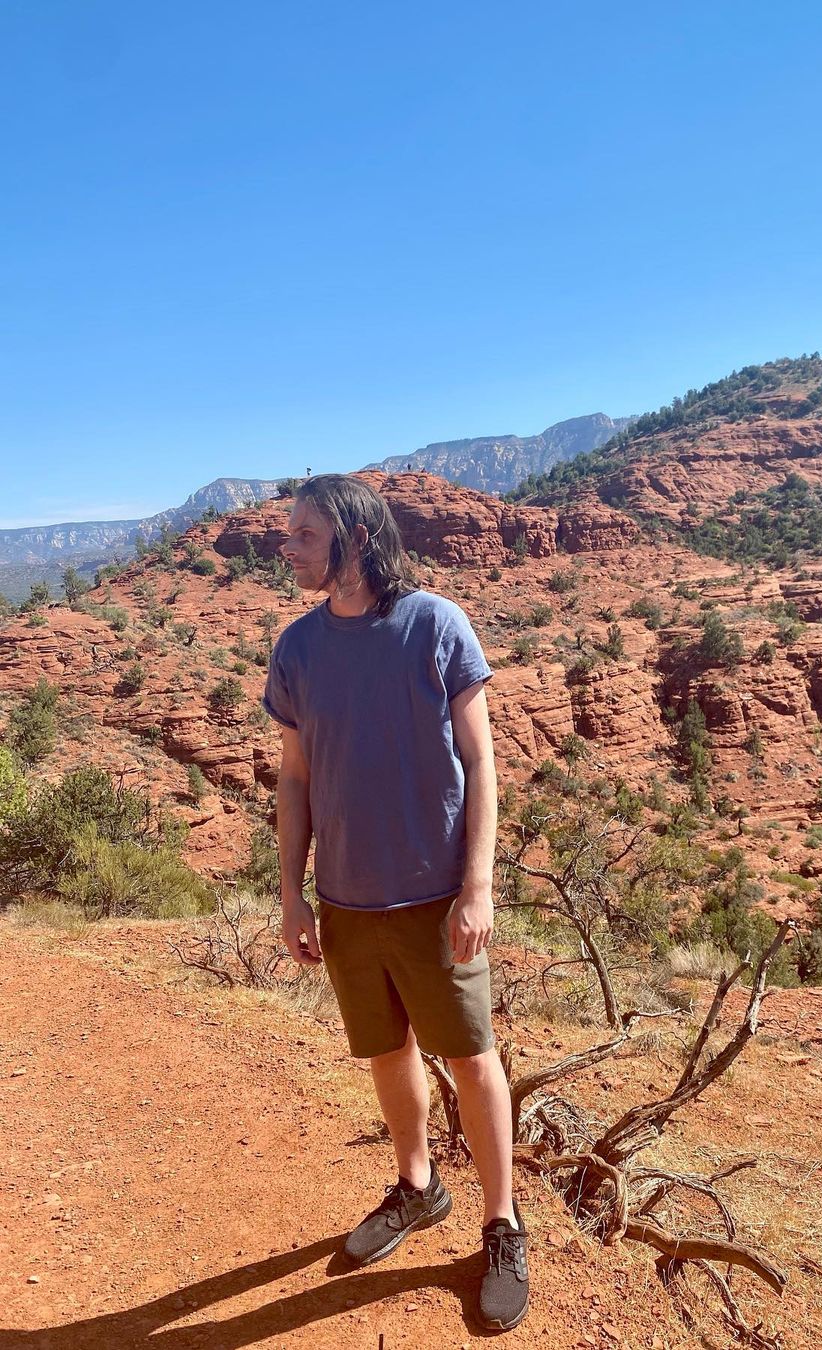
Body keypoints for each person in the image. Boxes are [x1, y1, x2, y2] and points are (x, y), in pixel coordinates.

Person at [261, 473, 528, 1332]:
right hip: (346, 899)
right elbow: (295, 779)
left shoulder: (435, 625)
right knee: (386, 1049)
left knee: (472, 1056)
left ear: (358, 540)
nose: (288, 547)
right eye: (289, 533)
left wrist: (478, 885)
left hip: (435, 896)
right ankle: (418, 1186)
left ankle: (502, 1223)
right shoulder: (297, 649)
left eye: (305, 533)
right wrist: (292, 894)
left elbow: (482, 763)